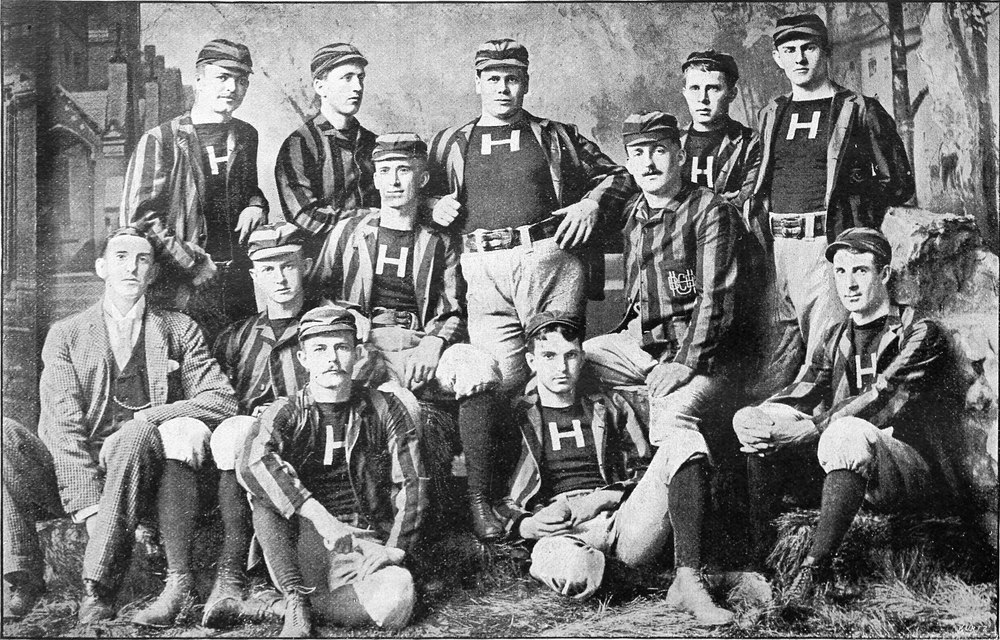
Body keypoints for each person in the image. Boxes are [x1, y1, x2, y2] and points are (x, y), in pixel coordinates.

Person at [2, 227, 237, 626]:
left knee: (135, 432)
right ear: (101, 268)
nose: (132, 268)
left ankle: (99, 587)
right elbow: (61, 427)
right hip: (76, 470)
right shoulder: (67, 334)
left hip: (143, 473)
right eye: (121, 257)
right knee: (4, 434)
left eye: (142, 260)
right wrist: (90, 506)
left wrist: (149, 417)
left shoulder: (178, 328)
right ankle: (23, 577)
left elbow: (221, 400)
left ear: (153, 273)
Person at [733, 227, 948, 601]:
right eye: (841, 272)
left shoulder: (918, 330)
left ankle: (814, 570)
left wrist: (811, 429)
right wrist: (752, 417)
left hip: (903, 469)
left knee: (847, 429)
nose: (849, 284)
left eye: (860, 271)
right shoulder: (834, 334)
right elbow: (802, 390)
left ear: (884, 274)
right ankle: (763, 561)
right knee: (765, 424)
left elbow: (882, 397)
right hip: (846, 463)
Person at [312, 133, 505, 541]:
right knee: (398, 408)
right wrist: (348, 320)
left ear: (422, 179)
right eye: (385, 171)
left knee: (479, 367)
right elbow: (318, 293)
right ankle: (389, 516)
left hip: (421, 340)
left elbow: (453, 307)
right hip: (366, 345)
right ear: (375, 179)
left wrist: (435, 343)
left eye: (404, 170)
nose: (395, 181)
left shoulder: (439, 239)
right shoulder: (349, 230)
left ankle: (479, 500)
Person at [495, 311, 735, 624]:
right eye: (549, 356)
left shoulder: (609, 405)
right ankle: (668, 584)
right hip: (561, 534)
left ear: (582, 358)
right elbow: (492, 494)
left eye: (570, 356)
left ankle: (688, 578)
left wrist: (600, 498)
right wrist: (525, 524)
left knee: (683, 440)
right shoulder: (514, 417)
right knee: (572, 568)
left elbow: (642, 469)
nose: (561, 367)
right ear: (531, 361)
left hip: (622, 521)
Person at [426, 38, 631, 393]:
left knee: (557, 375)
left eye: (512, 79)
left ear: (526, 83)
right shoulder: (451, 142)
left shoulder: (557, 135)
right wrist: (433, 205)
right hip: (482, 270)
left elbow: (619, 175)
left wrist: (591, 204)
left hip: (549, 262)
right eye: (493, 79)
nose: (502, 88)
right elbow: (416, 194)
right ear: (477, 83)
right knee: (499, 381)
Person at [237, 304, 425, 637]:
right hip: (305, 536)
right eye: (320, 349)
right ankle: (295, 596)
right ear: (303, 359)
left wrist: (396, 547)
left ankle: (285, 608)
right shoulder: (287, 410)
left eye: (341, 347)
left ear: (357, 354)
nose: (332, 359)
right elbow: (252, 461)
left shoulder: (385, 407)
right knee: (267, 489)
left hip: (363, 537)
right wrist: (322, 518)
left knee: (398, 594)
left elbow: (412, 481)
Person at [750, 13, 915, 391]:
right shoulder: (772, 112)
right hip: (780, 247)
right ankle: (784, 418)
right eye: (789, 50)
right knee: (786, 351)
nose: (799, 58)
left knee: (827, 352)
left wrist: (850, 216)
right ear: (777, 58)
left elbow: (897, 182)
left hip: (828, 244)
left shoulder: (858, 108)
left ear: (826, 52)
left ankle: (826, 419)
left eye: (808, 48)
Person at [201, 223, 314, 628]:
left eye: (288, 266)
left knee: (252, 440)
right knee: (238, 434)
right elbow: (216, 398)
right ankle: (230, 578)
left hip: (306, 446)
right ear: (254, 276)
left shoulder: (323, 327)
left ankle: (254, 578)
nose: (279, 278)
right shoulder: (237, 337)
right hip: (243, 459)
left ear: (306, 266)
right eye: (268, 269)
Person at [121, 39, 268, 339]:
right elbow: (139, 220)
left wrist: (256, 204)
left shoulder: (246, 135)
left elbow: (247, 188)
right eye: (223, 77)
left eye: (241, 81)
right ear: (199, 80)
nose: (232, 88)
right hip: (181, 286)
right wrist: (192, 264)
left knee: (240, 357)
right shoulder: (161, 139)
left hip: (237, 281)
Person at [275, 43, 378, 253]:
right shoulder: (299, 144)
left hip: (375, 252)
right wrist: (372, 218)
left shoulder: (374, 142)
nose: (358, 87)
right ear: (320, 87)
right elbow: (305, 217)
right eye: (347, 78)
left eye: (360, 78)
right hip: (323, 261)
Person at [679, 50, 761, 212]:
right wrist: (718, 202)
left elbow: (747, 201)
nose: (702, 98)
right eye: (695, 88)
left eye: (713, 88)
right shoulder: (671, 142)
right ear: (685, 93)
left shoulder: (750, 142)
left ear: (732, 94)